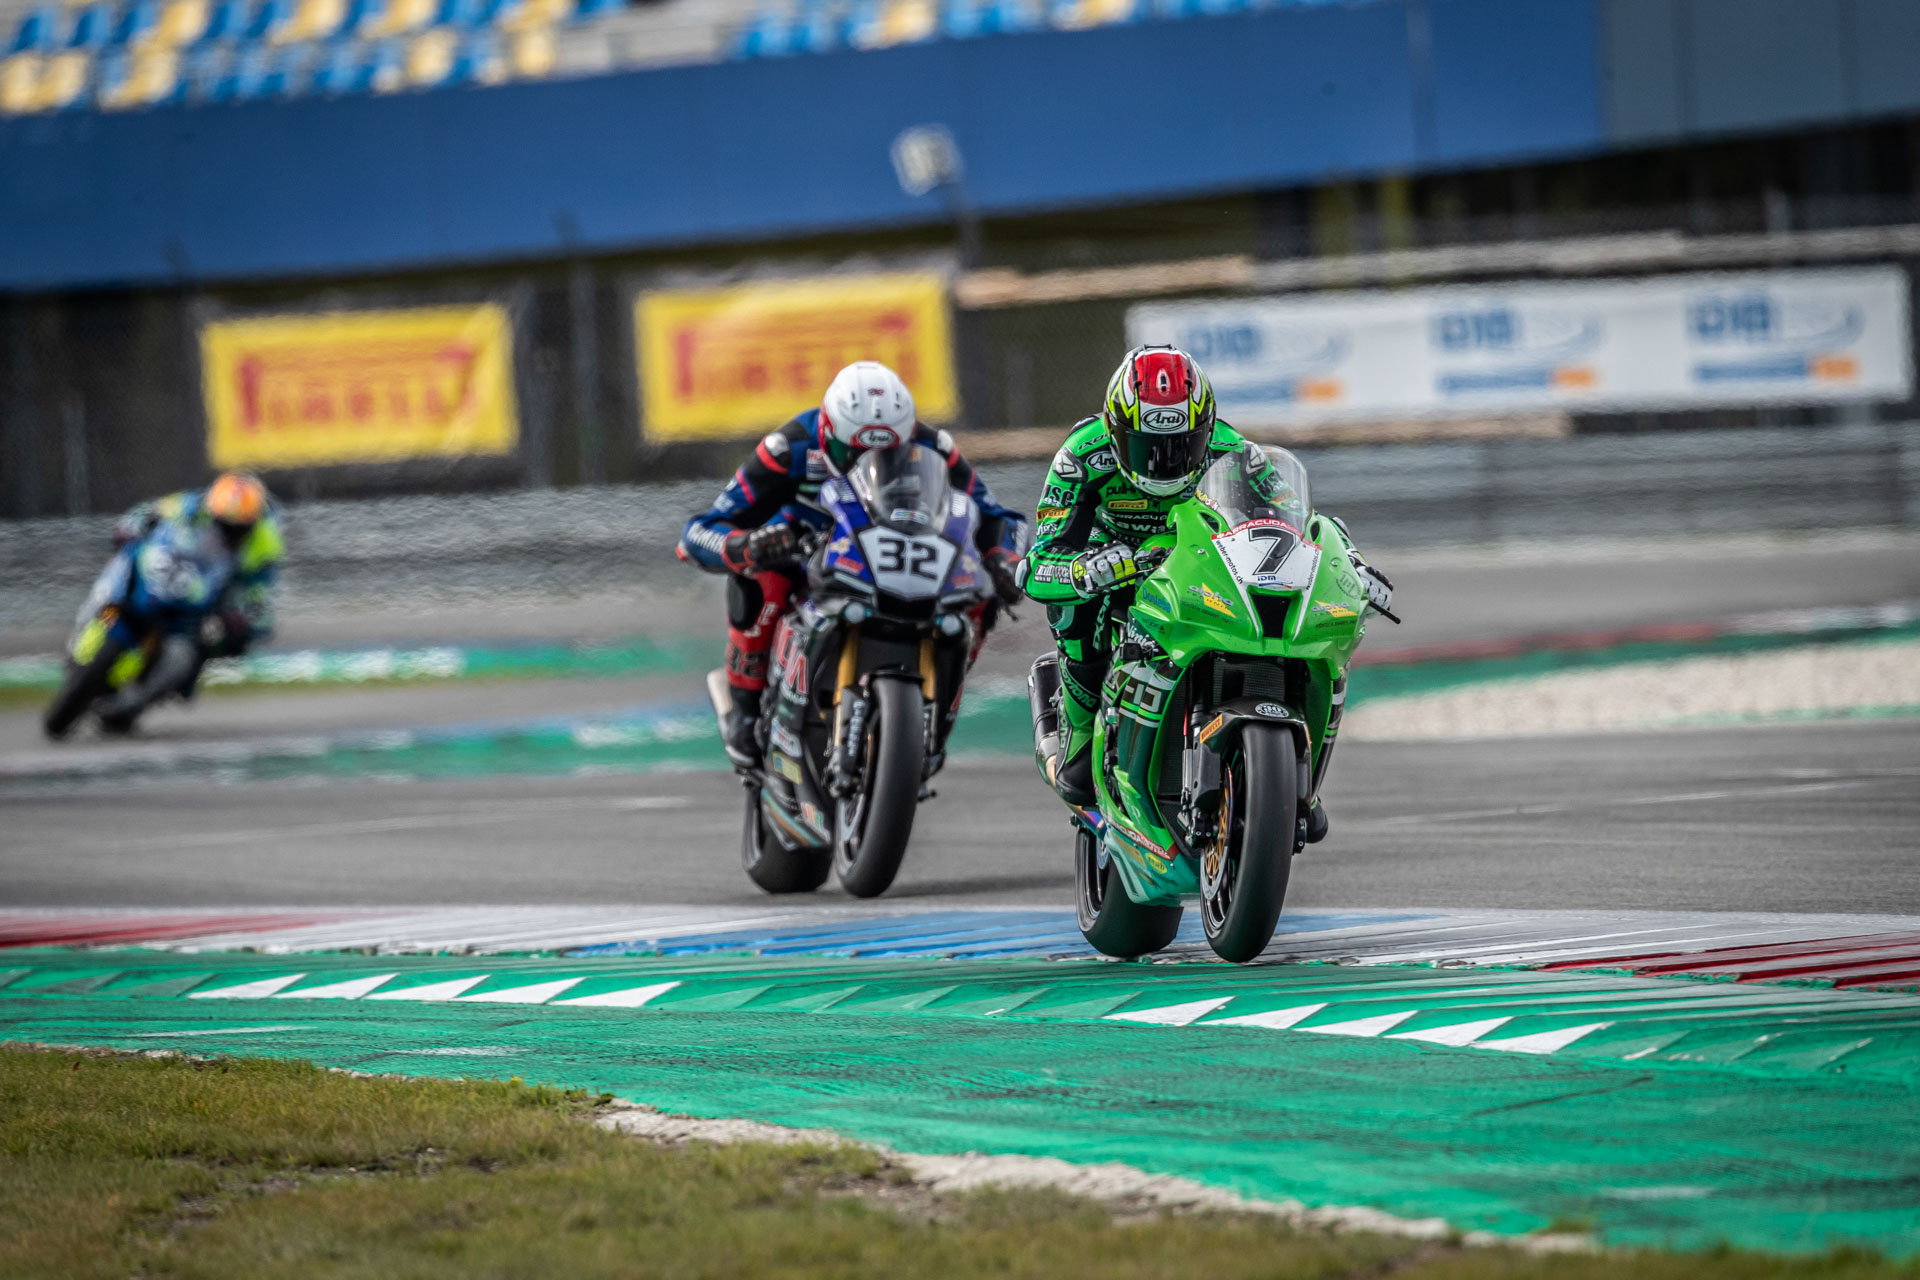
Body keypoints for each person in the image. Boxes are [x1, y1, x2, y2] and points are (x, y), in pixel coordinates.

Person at [1018, 345, 1393, 834]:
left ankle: (1298, 774)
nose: (1164, 462)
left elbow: (1295, 525)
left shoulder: (1236, 451)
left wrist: (1351, 565)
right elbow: (1039, 561)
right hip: (1112, 562)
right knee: (1076, 614)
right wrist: (1083, 570)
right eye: (1147, 447)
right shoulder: (1081, 455)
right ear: (1115, 431)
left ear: (1205, 429)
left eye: (1182, 446)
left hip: (1190, 563)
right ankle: (1080, 738)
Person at [678, 360, 1028, 763]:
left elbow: (999, 517)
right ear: (827, 432)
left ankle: (939, 703)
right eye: (854, 452)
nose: (866, 463)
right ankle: (746, 707)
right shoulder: (788, 447)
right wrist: (747, 545)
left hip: (899, 559)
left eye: (885, 453)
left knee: (979, 592)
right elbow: (699, 530)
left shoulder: (935, 446)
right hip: (807, 556)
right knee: (761, 579)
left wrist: (1005, 559)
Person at [93, 472, 283, 729]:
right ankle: (102, 612)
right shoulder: (192, 504)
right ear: (212, 511)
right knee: (129, 560)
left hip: (214, 591)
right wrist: (129, 526)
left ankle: (170, 685)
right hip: (171, 568)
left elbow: (260, 592)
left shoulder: (265, 541)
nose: (229, 531)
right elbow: (149, 511)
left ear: (253, 522)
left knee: (221, 640)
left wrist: (246, 620)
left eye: (238, 528)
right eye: (223, 524)